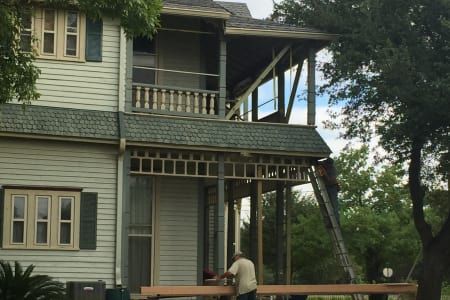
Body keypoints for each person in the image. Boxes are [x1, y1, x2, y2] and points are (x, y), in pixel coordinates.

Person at [317, 158, 341, 226]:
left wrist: (324, 173)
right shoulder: (329, 167)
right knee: (329, 205)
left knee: (334, 205)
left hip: (332, 187)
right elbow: (319, 163)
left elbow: (330, 180)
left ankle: (335, 222)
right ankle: (332, 221)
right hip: (329, 187)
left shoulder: (331, 170)